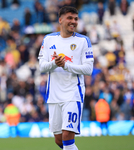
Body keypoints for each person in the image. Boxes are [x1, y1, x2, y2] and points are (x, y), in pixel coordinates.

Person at [38, 6, 94, 150]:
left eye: (76, 19)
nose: (73, 22)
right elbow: (42, 66)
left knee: (67, 137)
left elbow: (88, 69)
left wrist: (66, 65)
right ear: (60, 20)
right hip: (54, 96)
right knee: (59, 140)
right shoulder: (48, 39)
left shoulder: (83, 41)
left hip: (73, 94)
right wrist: (54, 63)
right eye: (70, 18)